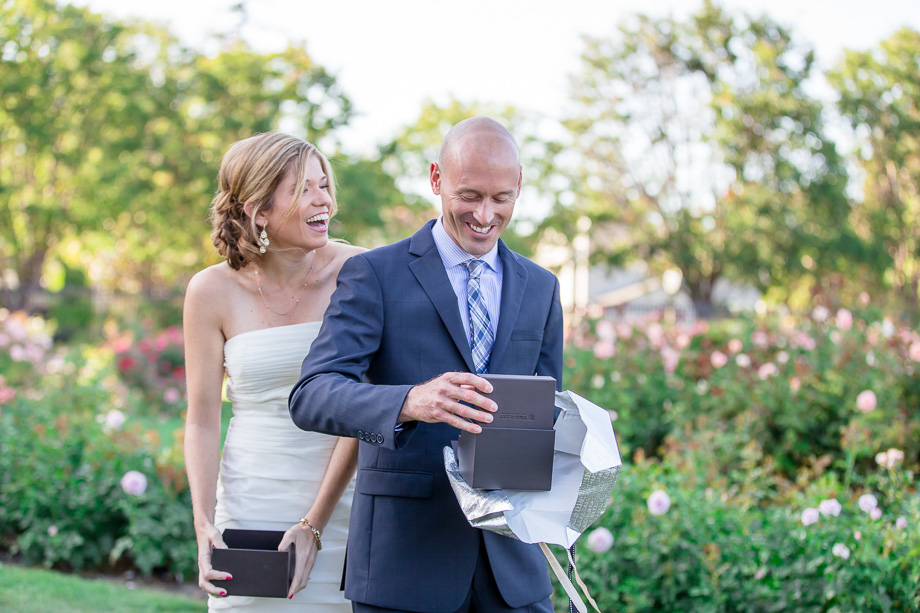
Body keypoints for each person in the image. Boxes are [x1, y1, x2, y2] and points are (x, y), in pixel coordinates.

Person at [289, 117, 563, 613]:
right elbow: (311, 394)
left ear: (520, 184)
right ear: (436, 179)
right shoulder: (374, 274)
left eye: (501, 198)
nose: (484, 215)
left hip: (515, 572)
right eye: (469, 195)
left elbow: (547, 408)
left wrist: (575, 439)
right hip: (404, 566)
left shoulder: (542, 287)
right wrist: (410, 401)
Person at [184, 132, 363, 611]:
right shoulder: (209, 291)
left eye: (324, 185)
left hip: (341, 507)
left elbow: (363, 410)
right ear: (259, 211)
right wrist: (204, 524)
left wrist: (313, 524)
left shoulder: (360, 273)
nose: (323, 199)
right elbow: (201, 418)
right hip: (248, 505)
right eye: (303, 189)